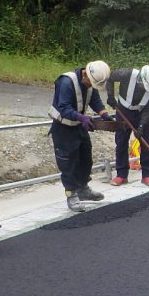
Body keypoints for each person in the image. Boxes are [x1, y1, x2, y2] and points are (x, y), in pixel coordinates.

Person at [48, 60, 112, 212]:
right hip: (63, 127)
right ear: (85, 74)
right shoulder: (66, 82)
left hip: (78, 125)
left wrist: (104, 114)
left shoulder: (90, 82)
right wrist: (82, 118)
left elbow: (95, 100)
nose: (91, 86)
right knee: (67, 162)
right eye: (90, 83)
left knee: (85, 158)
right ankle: (71, 194)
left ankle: (83, 189)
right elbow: (63, 108)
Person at [106, 65, 149, 187]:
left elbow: (148, 109)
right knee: (121, 143)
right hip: (123, 111)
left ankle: (147, 175)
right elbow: (110, 78)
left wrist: (141, 126)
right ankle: (121, 175)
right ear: (140, 78)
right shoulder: (126, 74)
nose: (145, 89)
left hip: (141, 113)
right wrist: (110, 96)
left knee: (146, 142)